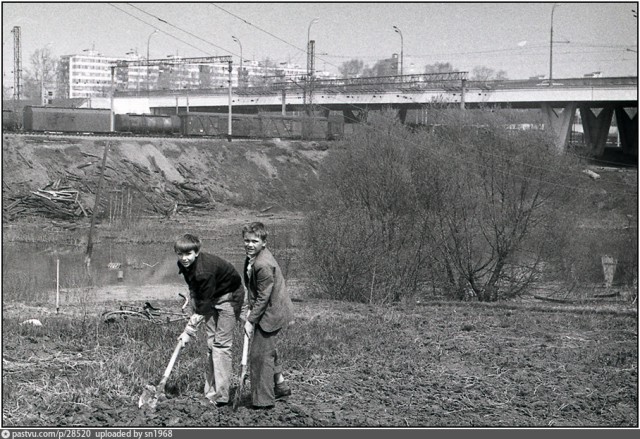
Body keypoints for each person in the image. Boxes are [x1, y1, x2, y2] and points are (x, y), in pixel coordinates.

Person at [174, 233, 244, 407]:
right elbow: (194, 289)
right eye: (180, 254)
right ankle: (210, 392)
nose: (184, 258)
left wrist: (188, 331)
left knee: (221, 345)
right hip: (211, 296)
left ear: (197, 252)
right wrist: (193, 306)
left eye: (188, 254)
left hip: (230, 298)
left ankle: (221, 397)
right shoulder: (185, 265)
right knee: (211, 344)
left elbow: (203, 304)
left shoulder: (204, 271)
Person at [241, 222, 295, 409]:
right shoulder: (252, 258)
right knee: (267, 349)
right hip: (269, 308)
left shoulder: (263, 264)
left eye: (255, 241)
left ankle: (263, 402)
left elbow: (264, 296)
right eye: (247, 240)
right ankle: (280, 386)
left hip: (272, 312)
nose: (249, 244)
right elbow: (254, 289)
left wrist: (250, 320)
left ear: (264, 242)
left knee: (259, 356)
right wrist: (250, 306)